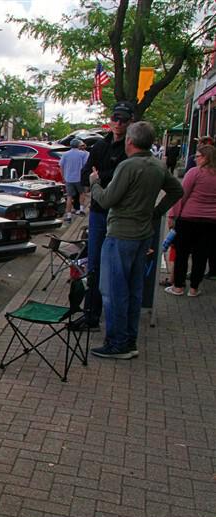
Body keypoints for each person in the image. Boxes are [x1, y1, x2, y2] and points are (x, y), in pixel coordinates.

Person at [88, 121, 183, 359]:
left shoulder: (128, 167)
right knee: (133, 290)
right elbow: (176, 191)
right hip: (142, 234)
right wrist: (156, 211)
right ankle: (129, 340)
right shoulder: (157, 165)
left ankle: (117, 343)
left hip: (121, 234)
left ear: (130, 141)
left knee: (113, 291)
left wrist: (95, 184)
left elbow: (107, 200)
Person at [73, 100, 136, 333]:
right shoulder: (100, 146)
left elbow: (123, 177)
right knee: (95, 264)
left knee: (118, 269)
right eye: (115, 118)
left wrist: (99, 177)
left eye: (123, 119)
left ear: (131, 122)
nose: (118, 123)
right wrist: (98, 178)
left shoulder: (132, 148)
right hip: (99, 213)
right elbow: (85, 174)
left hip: (121, 216)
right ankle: (91, 315)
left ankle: (119, 324)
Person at [165, 144, 216, 297]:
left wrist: (173, 215)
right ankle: (194, 288)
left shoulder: (194, 173)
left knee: (182, 253)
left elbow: (182, 195)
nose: (195, 159)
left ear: (206, 158)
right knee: (201, 255)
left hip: (188, 218)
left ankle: (178, 286)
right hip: (211, 221)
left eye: (198, 156)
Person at [59, 138, 89, 221]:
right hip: (79, 177)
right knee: (82, 193)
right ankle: (81, 209)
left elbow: (61, 166)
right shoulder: (82, 154)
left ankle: (68, 215)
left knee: (69, 197)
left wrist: (63, 177)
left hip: (68, 178)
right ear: (78, 145)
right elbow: (85, 165)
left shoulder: (65, 154)